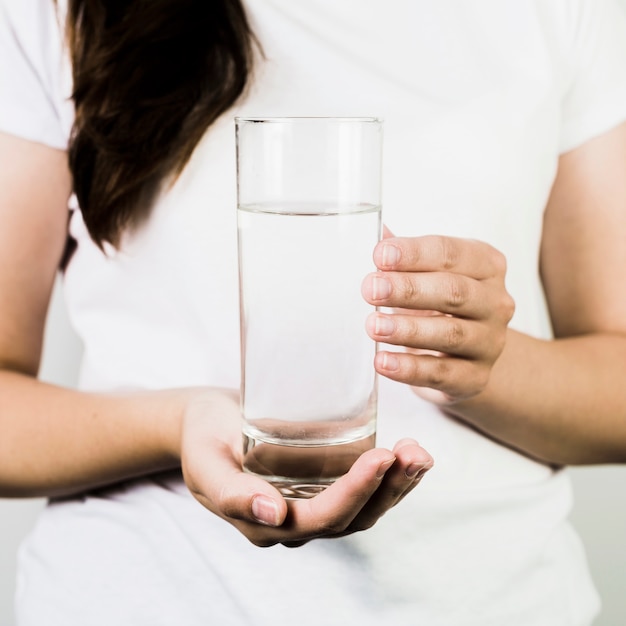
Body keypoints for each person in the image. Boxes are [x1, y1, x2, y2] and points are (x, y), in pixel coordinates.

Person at [1, 0, 626, 624]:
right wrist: (176, 422)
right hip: (130, 600)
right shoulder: (51, 11)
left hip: (498, 603)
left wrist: (484, 363)